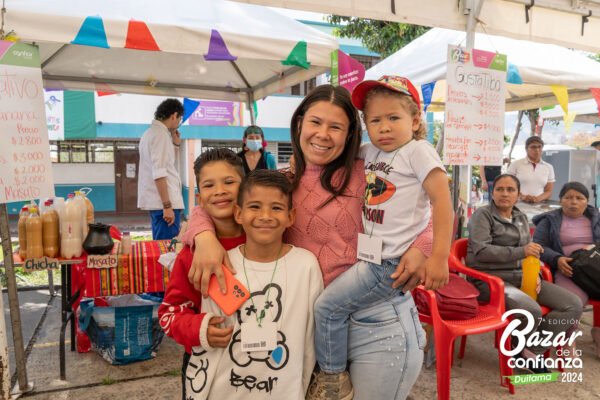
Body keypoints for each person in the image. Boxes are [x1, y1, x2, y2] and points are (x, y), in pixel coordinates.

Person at [184, 85, 432, 400]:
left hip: (376, 323)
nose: (323, 134)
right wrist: (203, 235)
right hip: (313, 330)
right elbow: (219, 203)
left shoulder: (369, 171)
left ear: (349, 134)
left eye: (336, 126)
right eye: (315, 122)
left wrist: (422, 248)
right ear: (299, 123)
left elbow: (425, 210)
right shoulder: (282, 183)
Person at [305, 75, 452, 399]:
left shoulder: (418, 151)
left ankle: (331, 380)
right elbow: (331, 145)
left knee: (328, 308)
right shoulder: (370, 152)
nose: (384, 127)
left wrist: (438, 256)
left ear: (415, 121)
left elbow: (442, 202)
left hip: (388, 264)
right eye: (375, 120)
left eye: (393, 118)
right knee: (330, 309)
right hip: (372, 259)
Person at [466, 174, 583, 373]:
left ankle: (527, 349)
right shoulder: (482, 215)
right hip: (490, 281)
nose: (505, 193)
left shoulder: (520, 217)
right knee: (531, 310)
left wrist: (535, 275)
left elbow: (530, 254)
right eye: (500, 189)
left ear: (518, 195)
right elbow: (481, 251)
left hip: (519, 276)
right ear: (492, 193)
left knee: (573, 305)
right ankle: (522, 350)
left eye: (510, 190)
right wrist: (522, 252)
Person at [158, 148, 247, 399]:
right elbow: (168, 314)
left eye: (229, 182)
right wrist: (199, 328)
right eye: (209, 185)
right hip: (206, 368)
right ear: (200, 197)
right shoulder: (191, 255)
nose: (220, 190)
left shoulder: (266, 241)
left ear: (245, 186)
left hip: (258, 369)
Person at [532, 181, 600, 356]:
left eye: (579, 198)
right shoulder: (549, 221)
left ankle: (598, 333)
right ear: (560, 200)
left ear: (587, 201)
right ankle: (569, 338)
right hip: (568, 271)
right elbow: (538, 246)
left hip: (595, 269)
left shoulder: (595, 218)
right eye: (568, 197)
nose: (574, 202)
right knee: (574, 300)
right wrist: (557, 259)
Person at [138, 98, 185, 240]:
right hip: (164, 204)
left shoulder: (149, 134)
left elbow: (166, 166)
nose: (178, 124)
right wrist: (167, 206)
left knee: (161, 248)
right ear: (173, 115)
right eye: (179, 119)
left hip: (159, 204)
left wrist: (175, 145)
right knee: (167, 252)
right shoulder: (160, 135)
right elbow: (159, 173)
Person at [507, 136, 555, 204]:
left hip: (539, 205)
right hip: (517, 204)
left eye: (539, 147)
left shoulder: (549, 167)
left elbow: (548, 191)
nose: (537, 150)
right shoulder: (516, 164)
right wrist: (522, 197)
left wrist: (537, 199)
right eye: (533, 147)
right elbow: (508, 185)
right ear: (526, 149)